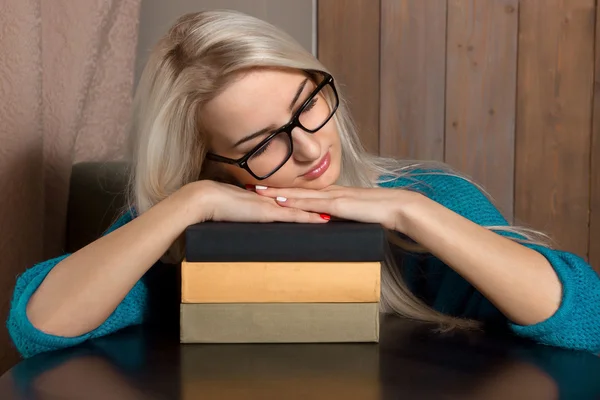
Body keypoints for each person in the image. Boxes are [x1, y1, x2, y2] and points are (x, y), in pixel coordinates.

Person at [7, 9, 600, 359]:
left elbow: (587, 318)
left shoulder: (430, 197)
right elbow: (38, 326)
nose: (312, 148)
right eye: (262, 144)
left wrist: (413, 213)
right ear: (213, 166)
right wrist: (189, 204)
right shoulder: (185, 230)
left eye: (308, 102)